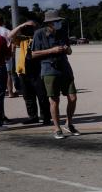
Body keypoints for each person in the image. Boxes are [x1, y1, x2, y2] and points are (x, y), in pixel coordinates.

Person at [31, 9, 79, 139]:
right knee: (54, 100)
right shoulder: (39, 34)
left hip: (65, 67)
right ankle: (57, 128)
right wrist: (51, 50)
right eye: (57, 21)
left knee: (73, 97)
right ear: (50, 22)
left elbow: (69, 51)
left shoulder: (62, 32)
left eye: (59, 21)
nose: (59, 23)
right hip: (49, 69)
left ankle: (69, 123)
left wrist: (67, 49)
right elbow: (33, 53)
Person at [11, 19, 50, 125]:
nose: (29, 29)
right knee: (28, 96)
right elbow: (10, 36)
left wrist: (36, 30)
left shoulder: (41, 37)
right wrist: (22, 25)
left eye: (31, 27)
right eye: (27, 27)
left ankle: (46, 117)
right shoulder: (23, 39)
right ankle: (33, 116)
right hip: (24, 72)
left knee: (42, 96)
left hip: (39, 71)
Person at [0, 14, 18, 97]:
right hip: (6, 55)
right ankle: (10, 92)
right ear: (2, 21)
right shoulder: (7, 31)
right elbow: (13, 44)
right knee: (8, 74)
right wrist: (12, 54)